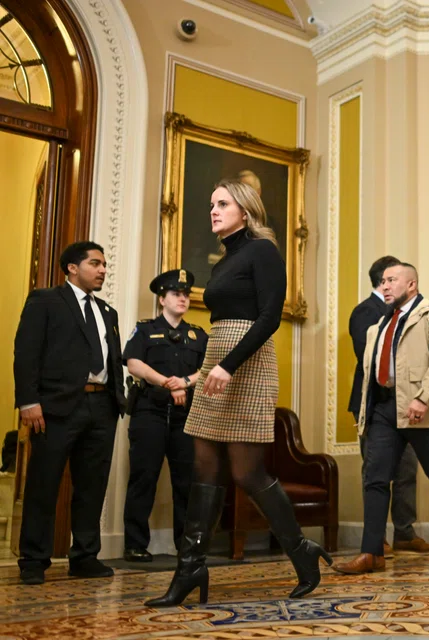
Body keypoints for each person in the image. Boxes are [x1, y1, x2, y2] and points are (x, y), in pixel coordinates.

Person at [147, 179, 331, 607]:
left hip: (247, 363)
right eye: (211, 204)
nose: (213, 210)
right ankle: (190, 568)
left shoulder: (263, 251)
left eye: (223, 204)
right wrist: (211, 366)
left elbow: (269, 318)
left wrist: (229, 365)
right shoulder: (224, 260)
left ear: (245, 212)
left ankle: (301, 551)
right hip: (218, 358)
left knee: (247, 472)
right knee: (204, 467)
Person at [332, 263, 429, 574]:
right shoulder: (380, 324)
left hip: (419, 409)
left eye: (392, 280)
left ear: (411, 284)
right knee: (375, 477)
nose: (384, 286)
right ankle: (372, 552)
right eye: (383, 281)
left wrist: (422, 398)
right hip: (384, 408)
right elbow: (370, 370)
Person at [14, 241, 126, 585]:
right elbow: (26, 353)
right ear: (72, 268)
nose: (103, 270)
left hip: (101, 407)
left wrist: (118, 399)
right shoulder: (45, 300)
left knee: (92, 486)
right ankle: (34, 560)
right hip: (56, 407)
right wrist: (28, 401)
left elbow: (113, 359)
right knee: (43, 484)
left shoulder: (107, 311)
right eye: (95, 263)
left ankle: (85, 557)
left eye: (104, 264)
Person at [349, 256, 429, 555]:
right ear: (381, 280)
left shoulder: (409, 311)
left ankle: (405, 532)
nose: (391, 284)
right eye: (389, 278)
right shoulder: (365, 312)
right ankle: (376, 539)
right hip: (377, 403)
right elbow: (370, 357)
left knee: (407, 469)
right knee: (376, 472)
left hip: (406, 401)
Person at [121, 269, 208, 562]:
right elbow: (134, 363)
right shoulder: (145, 330)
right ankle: (135, 545)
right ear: (162, 299)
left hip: (186, 416)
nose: (182, 299)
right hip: (150, 412)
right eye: (176, 294)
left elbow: (208, 368)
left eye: (186, 295)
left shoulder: (198, 334)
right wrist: (169, 383)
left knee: (187, 482)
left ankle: (186, 546)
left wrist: (184, 382)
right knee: (143, 478)